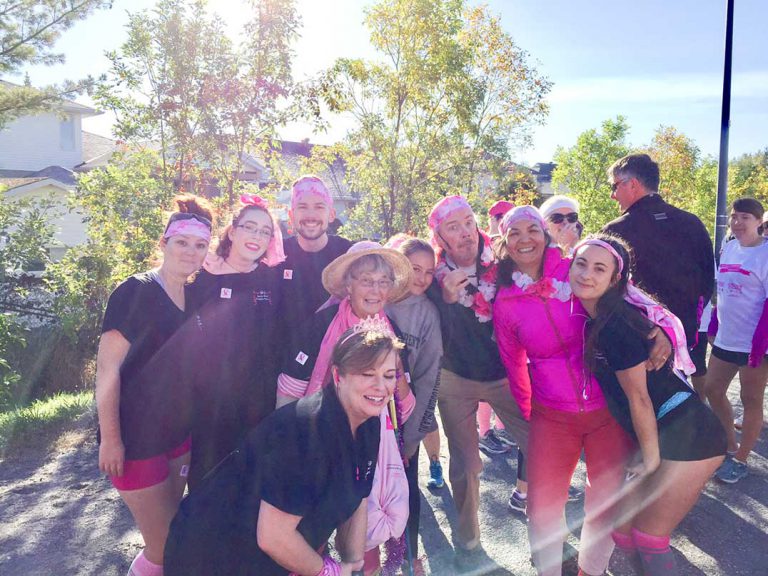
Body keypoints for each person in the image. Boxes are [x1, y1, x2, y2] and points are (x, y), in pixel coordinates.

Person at [493, 206, 673, 576]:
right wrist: (532, 418)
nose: (524, 239)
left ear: (546, 234)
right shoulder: (505, 303)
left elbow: (637, 304)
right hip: (551, 416)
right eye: (514, 232)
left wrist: (665, 334)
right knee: (542, 509)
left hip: (607, 412)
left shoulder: (577, 268)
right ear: (505, 241)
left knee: (604, 506)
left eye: (533, 229)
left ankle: (590, 572)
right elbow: (514, 367)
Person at [164, 325, 403, 576]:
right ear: (338, 376)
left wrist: (354, 567)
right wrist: (328, 571)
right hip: (210, 555)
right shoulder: (305, 433)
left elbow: (358, 499)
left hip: (270, 555)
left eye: (389, 376)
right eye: (367, 374)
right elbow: (273, 537)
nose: (381, 386)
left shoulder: (369, 421)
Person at [570, 234, 726, 576]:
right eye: (580, 263)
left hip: (693, 436)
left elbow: (639, 398)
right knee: (622, 532)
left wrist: (650, 457)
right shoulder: (600, 317)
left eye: (599, 268)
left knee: (648, 537)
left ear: (615, 280)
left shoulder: (614, 325)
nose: (586, 274)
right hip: (668, 431)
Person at [276, 241, 416, 574]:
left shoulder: (390, 331)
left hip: (371, 441)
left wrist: (393, 369)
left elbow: (403, 399)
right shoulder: (321, 325)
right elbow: (290, 392)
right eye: (367, 280)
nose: (376, 289)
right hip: (320, 439)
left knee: (361, 526)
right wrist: (289, 444)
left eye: (383, 282)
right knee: (314, 525)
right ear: (348, 285)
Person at [96, 195, 213, 576]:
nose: (190, 252)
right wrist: (111, 439)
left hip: (177, 437)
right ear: (163, 243)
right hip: (136, 441)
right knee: (164, 546)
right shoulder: (136, 292)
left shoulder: (193, 295)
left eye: (200, 245)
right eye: (182, 242)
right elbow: (107, 370)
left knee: (171, 535)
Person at [425, 195, 529, 571]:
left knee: (544, 444)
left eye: (468, 221)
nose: (465, 232)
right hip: (456, 377)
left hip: (505, 374)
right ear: (439, 236)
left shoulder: (503, 260)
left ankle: (550, 534)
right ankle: (468, 544)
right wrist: (448, 300)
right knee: (467, 464)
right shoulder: (432, 274)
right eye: (453, 227)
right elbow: (432, 329)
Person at [184, 193, 285, 490]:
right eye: (250, 227)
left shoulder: (272, 279)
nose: (257, 236)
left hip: (259, 403)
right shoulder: (202, 277)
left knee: (251, 487)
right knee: (208, 486)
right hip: (209, 405)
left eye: (265, 231)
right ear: (232, 231)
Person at [602, 153, 714, 349]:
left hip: (634, 341)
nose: (612, 195)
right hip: (680, 338)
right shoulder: (692, 223)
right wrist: (681, 327)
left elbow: (606, 290)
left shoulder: (615, 231)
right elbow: (705, 284)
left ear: (633, 184)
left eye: (614, 186)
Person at [385, 234, 444, 571]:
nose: (421, 278)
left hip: (403, 424)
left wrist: (413, 434)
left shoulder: (427, 315)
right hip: (363, 417)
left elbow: (428, 378)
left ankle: (408, 557)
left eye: (428, 272)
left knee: (406, 492)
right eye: (414, 269)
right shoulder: (376, 294)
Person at [706, 198, 768, 484]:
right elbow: (723, 289)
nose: (738, 222)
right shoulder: (729, 247)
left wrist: (760, 344)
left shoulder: (765, 254)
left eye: (746, 217)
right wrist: (716, 320)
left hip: (756, 345)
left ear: (759, 222)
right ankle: (730, 445)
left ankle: (741, 460)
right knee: (713, 389)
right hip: (727, 338)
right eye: (734, 216)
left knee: (751, 399)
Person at [281, 175, 352, 359]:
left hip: (335, 362)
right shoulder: (276, 254)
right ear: (291, 215)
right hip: (282, 364)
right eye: (302, 207)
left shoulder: (349, 254)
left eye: (319, 207)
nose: (310, 215)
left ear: (331, 214)